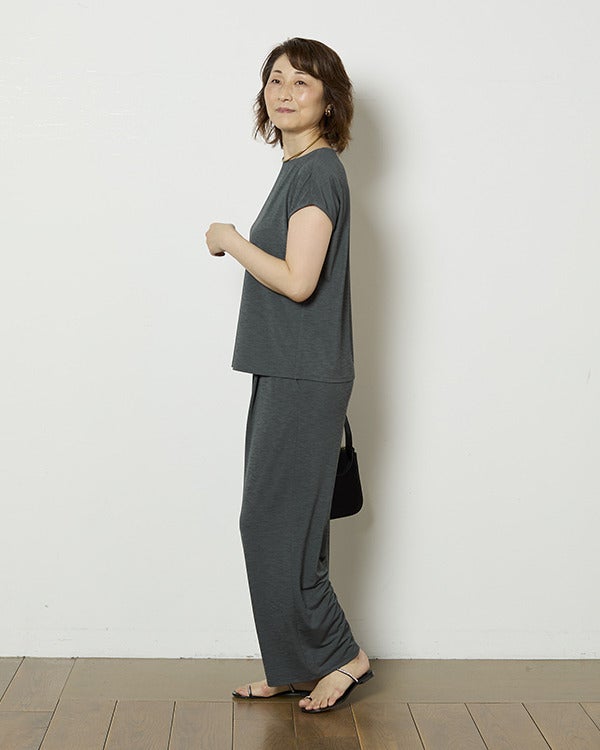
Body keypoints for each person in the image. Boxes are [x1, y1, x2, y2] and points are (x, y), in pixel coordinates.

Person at [205, 37, 373, 713]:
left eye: (302, 82)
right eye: (276, 79)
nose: (285, 91)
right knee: (285, 525)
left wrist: (231, 240)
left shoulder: (318, 173)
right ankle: (295, 662)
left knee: (273, 524)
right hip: (288, 368)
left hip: (305, 375)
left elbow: (300, 281)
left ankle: (342, 656)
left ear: (329, 99)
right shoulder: (298, 168)